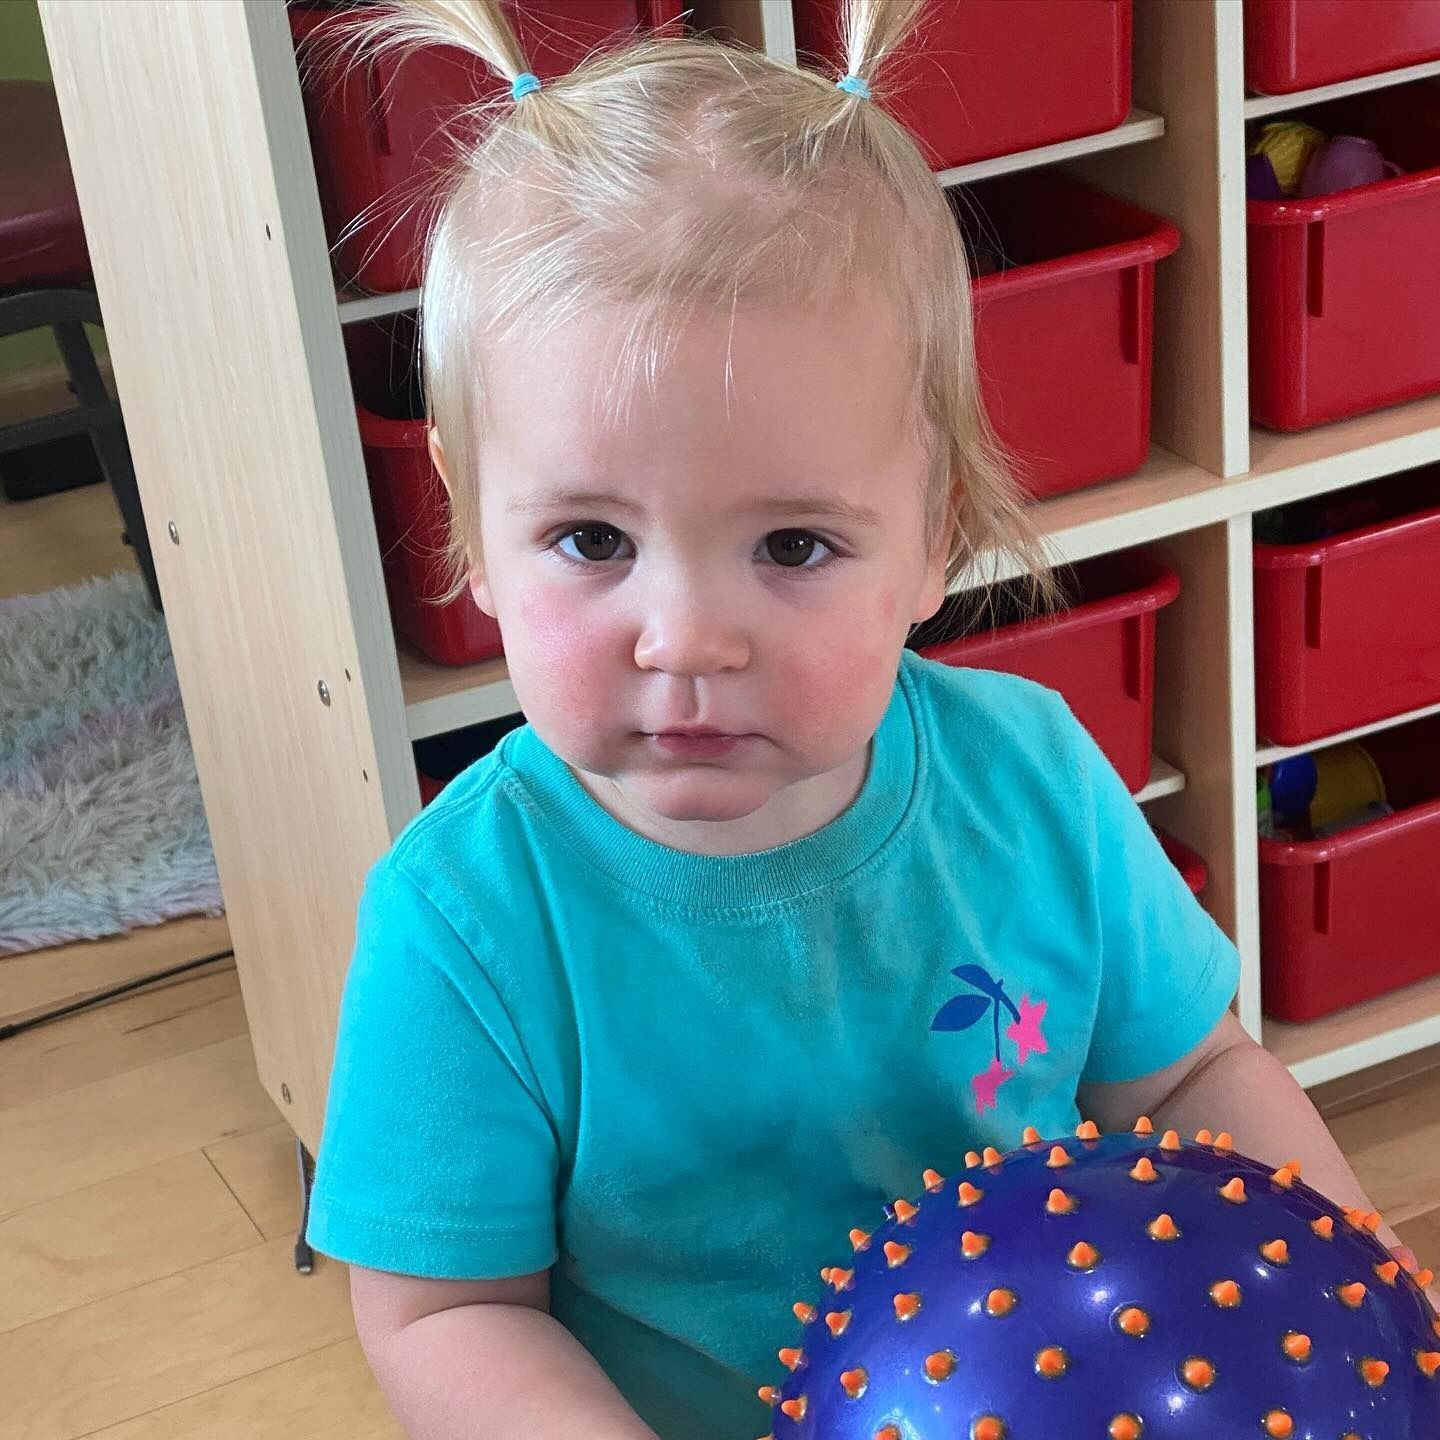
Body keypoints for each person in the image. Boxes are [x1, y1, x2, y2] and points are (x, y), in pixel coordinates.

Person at [305, 3, 1406, 1436]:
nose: (686, 637)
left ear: (933, 533)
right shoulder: (464, 920)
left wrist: (1346, 1277)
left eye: (794, 548)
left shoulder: (1033, 781)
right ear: (466, 518)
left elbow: (1195, 1072)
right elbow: (442, 1309)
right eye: (588, 539)